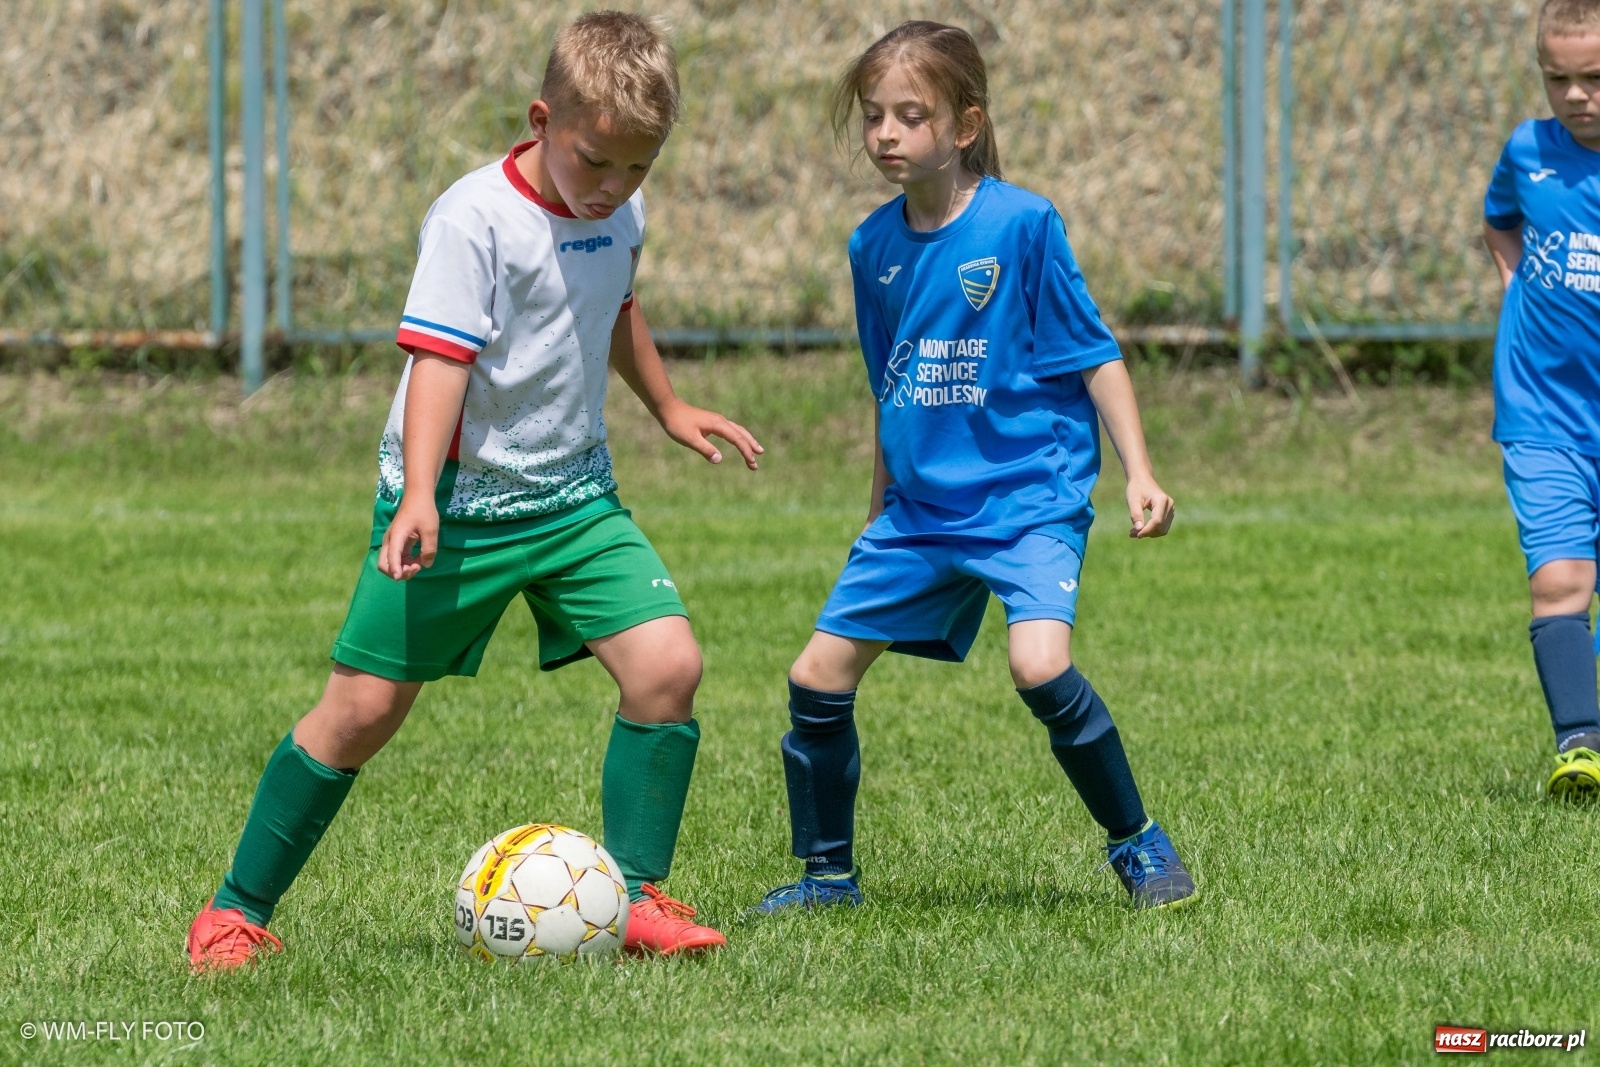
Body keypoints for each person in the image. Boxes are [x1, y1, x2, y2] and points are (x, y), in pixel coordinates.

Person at [188, 11, 762, 971]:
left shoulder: (617, 210)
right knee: (362, 711)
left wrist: (666, 405)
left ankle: (634, 898)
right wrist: (419, 496)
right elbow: (439, 362)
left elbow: (616, 306)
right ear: (542, 120)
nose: (615, 189)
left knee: (668, 667)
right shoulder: (473, 220)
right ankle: (234, 909)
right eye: (596, 164)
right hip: (455, 509)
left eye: (639, 170)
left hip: (575, 500)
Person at [752, 21, 1195, 914]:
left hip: (1028, 497)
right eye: (874, 116)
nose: (885, 134)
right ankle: (828, 879)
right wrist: (877, 506)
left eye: (909, 116)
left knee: (1037, 665)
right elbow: (891, 385)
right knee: (816, 676)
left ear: (963, 125)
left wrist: (1138, 471)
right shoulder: (871, 248)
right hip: (918, 512)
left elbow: (1096, 355)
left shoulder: (1021, 223)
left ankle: (1139, 845)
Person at [1482, 0, 1600, 801]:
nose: (1577, 95)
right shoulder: (1527, 151)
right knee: (1559, 578)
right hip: (1543, 415)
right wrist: (1514, 285)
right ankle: (1580, 743)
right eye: (1558, 78)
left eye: (1595, 78)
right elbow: (1500, 222)